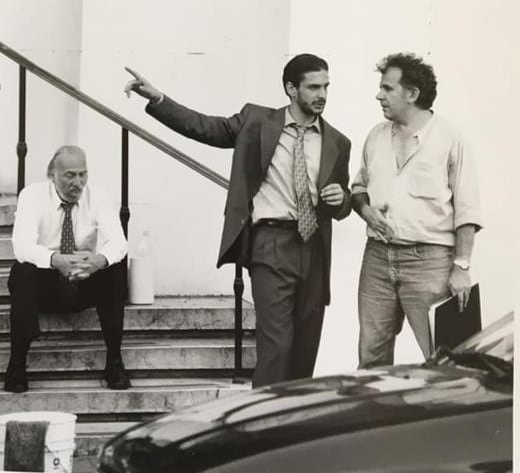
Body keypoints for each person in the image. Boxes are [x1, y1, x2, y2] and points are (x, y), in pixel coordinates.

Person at [124, 54, 351, 387]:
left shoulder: (337, 142)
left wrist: (341, 199)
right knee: (276, 346)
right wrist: (159, 99)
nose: (323, 94)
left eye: (326, 87)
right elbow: (205, 127)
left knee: (305, 350)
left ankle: (294, 428)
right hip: (270, 245)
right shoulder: (257, 121)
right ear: (291, 88)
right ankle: (261, 425)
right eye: (314, 87)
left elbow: (341, 201)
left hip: (314, 249)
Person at [352, 53, 482, 368]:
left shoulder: (450, 137)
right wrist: (366, 211)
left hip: (431, 263)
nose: (378, 95)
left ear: (412, 94)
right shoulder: (375, 135)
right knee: (371, 358)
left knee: (450, 362)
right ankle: (377, 417)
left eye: (387, 88)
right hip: (378, 260)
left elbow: (467, 209)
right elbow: (359, 188)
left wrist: (461, 267)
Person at [5, 145, 130, 393]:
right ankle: (17, 365)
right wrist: (55, 259)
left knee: (115, 268)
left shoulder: (99, 195)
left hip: (84, 277)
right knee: (22, 272)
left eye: (82, 174)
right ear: (52, 174)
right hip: (48, 282)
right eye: (70, 175)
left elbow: (119, 241)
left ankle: (114, 362)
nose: (78, 183)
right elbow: (22, 246)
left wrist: (98, 261)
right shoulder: (32, 195)